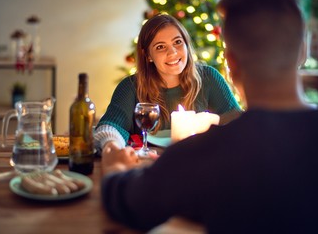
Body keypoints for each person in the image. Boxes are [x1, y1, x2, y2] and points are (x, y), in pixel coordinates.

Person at [100, 0, 318, 233]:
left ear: (231, 63)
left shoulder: (202, 154)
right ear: (303, 50)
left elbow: (126, 202)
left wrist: (114, 168)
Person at [94, 13, 242, 156]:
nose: (173, 53)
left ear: (186, 44)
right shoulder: (131, 86)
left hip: (200, 163)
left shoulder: (209, 77)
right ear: (148, 56)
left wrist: (211, 120)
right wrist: (111, 147)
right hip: (148, 167)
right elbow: (111, 127)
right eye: (160, 47)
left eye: (178, 42)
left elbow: (238, 121)